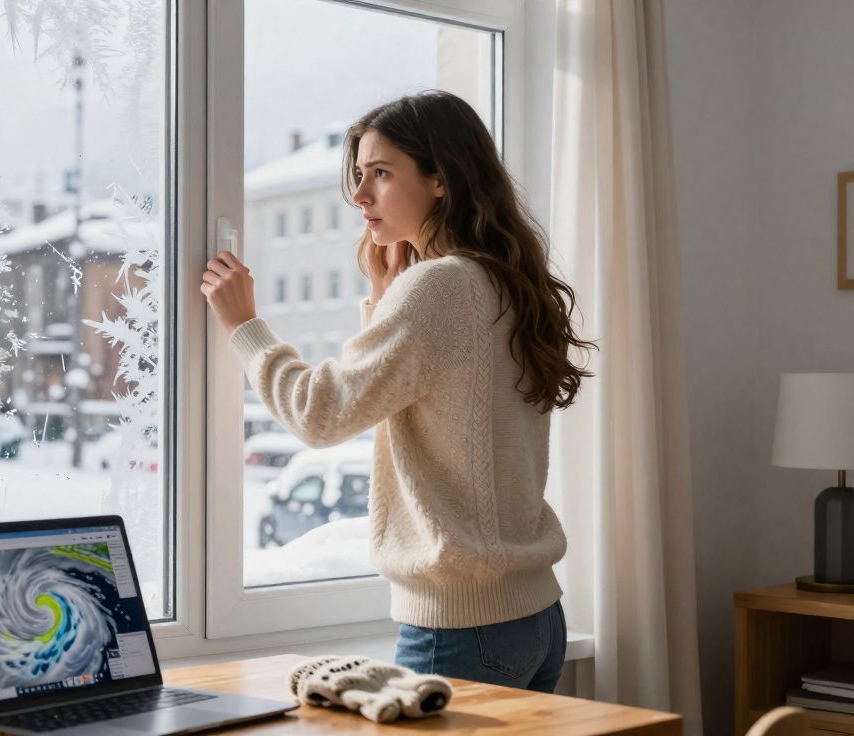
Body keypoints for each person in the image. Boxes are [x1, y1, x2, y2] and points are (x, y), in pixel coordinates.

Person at [200, 91, 596, 693]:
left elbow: (320, 414)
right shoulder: (506, 280)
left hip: (461, 628)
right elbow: (432, 396)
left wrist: (244, 326)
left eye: (381, 173)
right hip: (535, 619)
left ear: (441, 178)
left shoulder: (439, 287)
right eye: (359, 175)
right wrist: (384, 305)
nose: (360, 195)